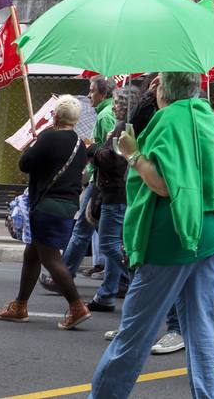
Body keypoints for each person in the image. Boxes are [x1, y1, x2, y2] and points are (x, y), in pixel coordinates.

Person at [90, 71, 214, 399]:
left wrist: (132, 153)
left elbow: (163, 184)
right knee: (200, 326)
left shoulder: (168, 120)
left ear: (162, 88)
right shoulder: (208, 117)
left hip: (174, 235)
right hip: (213, 230)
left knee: (134, 332)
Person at [0, 95, 90, 330]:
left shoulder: (49, 136)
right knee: (33, 254)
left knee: (50, 259)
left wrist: (33, 144)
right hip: (67, 207)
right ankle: (20, 305)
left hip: (47, 206)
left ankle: (77, 306)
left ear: (55, 116)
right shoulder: (80, 143)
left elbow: (25, 164)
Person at [41, 76, 115, 293]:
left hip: (101, 180)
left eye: (92, 91)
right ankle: (114, 282)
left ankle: (63, 275)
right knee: (101, 232)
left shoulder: (105, 116)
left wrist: (91, 150)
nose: (89, 95)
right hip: (102, 179)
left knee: (85, 229)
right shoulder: (104, 114)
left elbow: (109, 151)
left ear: (103, 93)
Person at [83, 85, 135, 313]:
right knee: (113, 241)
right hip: (115, 192)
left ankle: (136, 277)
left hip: (115, 192)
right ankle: (106, 295)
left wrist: (94, 148)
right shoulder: (121, 126)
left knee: (108, 244)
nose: (113, 106)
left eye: (116, 102)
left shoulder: (124, 128)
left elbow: (114, 161)